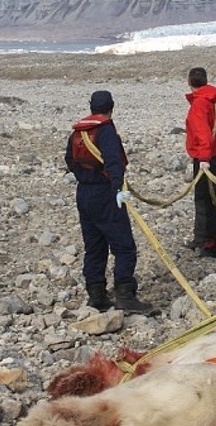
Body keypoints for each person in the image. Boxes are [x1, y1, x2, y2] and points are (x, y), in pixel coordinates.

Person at [64, 90, 153, 314]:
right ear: (111, 107)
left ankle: (96, 294)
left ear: (91, 106)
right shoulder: (105, 131)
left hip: (84, 193)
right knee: (124, 245)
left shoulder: (78, 133)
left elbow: (70, 160)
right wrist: (117, 188)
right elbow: (114, 161)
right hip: (105, 194)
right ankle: (124, 294)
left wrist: (86, 177)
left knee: (94, 246)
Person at [184, 67, 216, 258]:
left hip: (207, 158)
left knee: (204, 202)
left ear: (189, 82)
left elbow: (203, 133)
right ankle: (201, 238)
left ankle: (214, 243)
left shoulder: (200, 104)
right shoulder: (213, 100)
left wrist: (203, 159)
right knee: (206, 200)